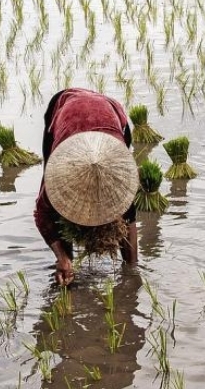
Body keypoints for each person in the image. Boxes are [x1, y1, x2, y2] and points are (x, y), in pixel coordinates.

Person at [34, 88, 139, 286]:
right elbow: (42, 215)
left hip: (109, 110)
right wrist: (62, 257)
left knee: (124, 204)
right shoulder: (59, 174)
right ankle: (67, 265)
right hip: (66, 108)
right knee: (57, 209)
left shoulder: (122, 175)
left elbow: (129, 215)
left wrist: (132, 272)